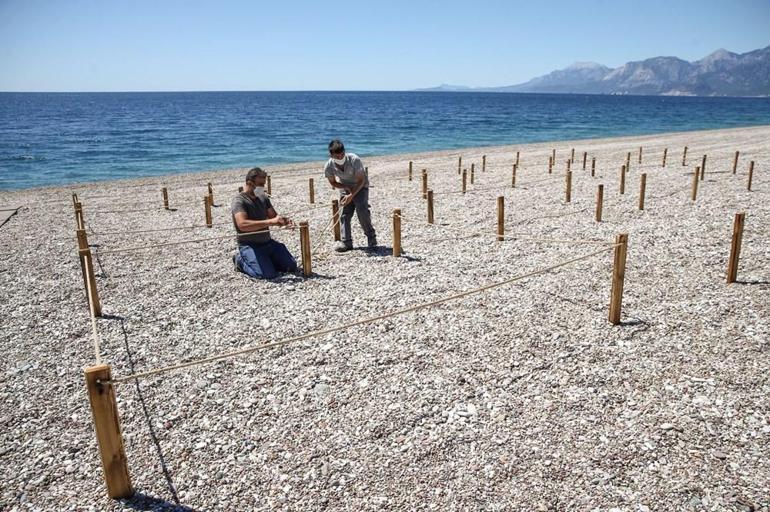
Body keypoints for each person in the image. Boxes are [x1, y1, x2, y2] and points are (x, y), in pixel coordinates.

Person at [231, 167, 298, 279]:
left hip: (268, 243)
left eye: (264, 184)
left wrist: (286, 221)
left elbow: (274, 216)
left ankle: (265, 261)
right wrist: (271, 222)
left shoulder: (263, 198)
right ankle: (240, 261)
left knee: (291, 266)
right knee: (266, 275)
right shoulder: (239, 200)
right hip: (250, 245)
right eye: (260, 184)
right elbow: (242, 225)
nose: (262, 187)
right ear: (249, 183)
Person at [324, 139, 377, 251]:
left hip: (360, 186)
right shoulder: (329, 166)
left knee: (362, 210)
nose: (340, 158)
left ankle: (371, 237)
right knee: (344, 214)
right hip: (345, 187)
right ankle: (346, 242)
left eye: (342, 155)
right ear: (331, 155)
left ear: (345, 152)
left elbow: (361, 180)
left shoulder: (354, 159)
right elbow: (333, 182)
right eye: (337, 156)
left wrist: (351, 195)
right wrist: (345, 188)